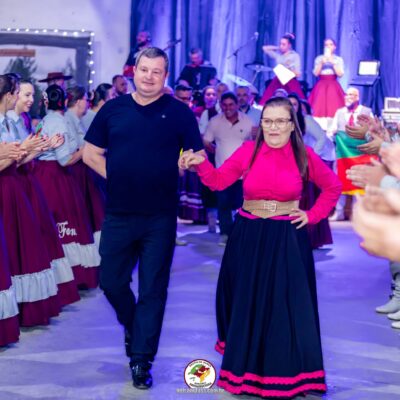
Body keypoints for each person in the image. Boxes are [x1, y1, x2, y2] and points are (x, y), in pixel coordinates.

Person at [179, 96, 341, 399]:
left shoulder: (304, 155)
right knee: (246, 303)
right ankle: (246, 374)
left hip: (286, 238)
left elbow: (333, 187)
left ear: (292, 125)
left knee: (284, 307)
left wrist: (313, 215)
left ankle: (286, 376)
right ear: (260, 123)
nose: (273, 127)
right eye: (267, 121)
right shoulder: (248, 151)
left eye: (280, 121)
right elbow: (218, 181)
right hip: (249, 235)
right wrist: (201, 164)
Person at [82, 47, 203, 390]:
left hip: (160, 217)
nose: (149, 76)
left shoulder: (179, 113)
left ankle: (141, 359)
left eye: (156, 71)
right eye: (144, 69)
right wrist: (118, 178)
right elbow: (90, 153)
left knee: (153, 289)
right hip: (119, 214)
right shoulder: (113, 109)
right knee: (111, 281)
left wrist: (188, 161)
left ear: (165, 76)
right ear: (133, 71)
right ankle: (135, 327)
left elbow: (196, 153)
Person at [8, 79, 79, 307]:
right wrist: (36, 148)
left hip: (27, 179)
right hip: (17, 181)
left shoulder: (23, 120)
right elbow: (15, 159)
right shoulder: (9, 121)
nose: (31, 99)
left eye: (32, 95)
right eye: (25, 94)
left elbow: (26, 155)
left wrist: (41, 147)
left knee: (39, 235)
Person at [34, 84, 100, 289]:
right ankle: (73, 277)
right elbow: (65, 159)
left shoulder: (44, 121)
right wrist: (84, 150)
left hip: (44, 174)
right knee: (66, 224)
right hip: (56, 178)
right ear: (63, 102)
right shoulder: (59, 122)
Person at [203, 92, 253, 246]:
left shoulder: (247, 121)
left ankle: (240, 234)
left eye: (231, 104)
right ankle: (225, 234)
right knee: (223, 204)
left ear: (237, 105)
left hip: (244, 172)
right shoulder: (214, 122)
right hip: (222, 172)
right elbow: (206, 141)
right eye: (224, 105)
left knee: (243, 205)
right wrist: (216, 151)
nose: (228, 108)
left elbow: (254, 143)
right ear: (221, 105)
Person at [289, 93, 335, 249]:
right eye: (289, 104)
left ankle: (309, 238)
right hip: (287, 165)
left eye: (295, 104)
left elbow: (322, 138)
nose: (292, 107)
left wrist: (310, 156)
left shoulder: (306, 120)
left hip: (304, 167)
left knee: (306, 201)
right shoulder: (283, 121)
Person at [65, 86, 105, 249]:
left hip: (83, 172)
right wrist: (89, 148)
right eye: (86, 100)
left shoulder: (77, 120)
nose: (88, 103)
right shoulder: (67, 121)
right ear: (78, 102)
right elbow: (69, 153)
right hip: (74, 173)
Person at [328, 87, 374, 221]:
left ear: (358, 97)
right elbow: (330, 132)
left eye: (351, 95)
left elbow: (373, 132)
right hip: (343, 155)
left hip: (360, 155)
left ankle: (356, 214)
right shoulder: (339, 112)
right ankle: (339, 212)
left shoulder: (367, 112)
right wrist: (334, 134)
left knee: (358, 182)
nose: (348, 97)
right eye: (346, 95)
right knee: (340, 182)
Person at [308, 38, 345, 130]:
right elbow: (315, 73)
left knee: (334, 106)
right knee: (318, 107)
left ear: (335, 47)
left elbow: (340, 74)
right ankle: (319, 128)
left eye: (330, 44)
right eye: (326, 45)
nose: (328, 47)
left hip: (333, 84)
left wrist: (333, 63)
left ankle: (332, 128)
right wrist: (321, 63)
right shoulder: (319, 58)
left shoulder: (338, 59)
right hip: (321, 85)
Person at [260, 33, 305, 104]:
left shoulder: (294, 56)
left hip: (290, 82)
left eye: (284, 44)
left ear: (289, 45)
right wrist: (278, 47)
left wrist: (287, 70)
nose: (281, 46)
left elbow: (298, 73)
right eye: (280, 44)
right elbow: (264, 48)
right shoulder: (279, 56)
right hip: (278, 81)